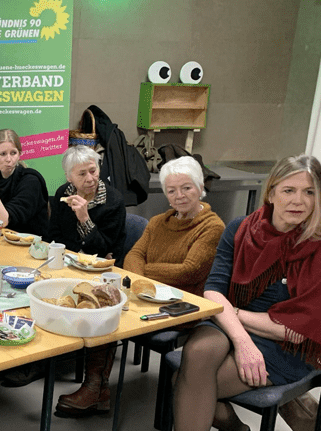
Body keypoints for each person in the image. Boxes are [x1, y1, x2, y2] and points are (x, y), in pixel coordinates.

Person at [158, 155, 321, 431]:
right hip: (231, 323)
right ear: (271, 192)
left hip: (284, 346)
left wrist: (237, 318)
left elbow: (297, 330)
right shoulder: (242, 229)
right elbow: (214, 291)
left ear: (319, 197)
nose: (298, 200)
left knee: (184, 383)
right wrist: (242, 340)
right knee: (200, 350)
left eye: (309, 192)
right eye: (288, 190)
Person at [56, 156, 224, 417]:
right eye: (171, 190)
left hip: (182, 306)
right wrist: (143, 277)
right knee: (104, 307)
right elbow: (133, 255)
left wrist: (144, 275)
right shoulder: (159, 222)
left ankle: (95, 389)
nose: (179, 196)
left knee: (110, 316)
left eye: (186, 188)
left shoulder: (212, 227)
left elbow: (188, 271)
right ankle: (97, 390)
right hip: (144, 296)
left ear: (200, 187)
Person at [45, 145, 126, 261]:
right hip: (68, 259)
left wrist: (85, 220)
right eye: (82, 174)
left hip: (101, 266)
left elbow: (103, 250)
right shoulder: (63, 193)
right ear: (69, 177)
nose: (90, 179)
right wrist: (79, 252)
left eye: (93, 171)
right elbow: (54, 236)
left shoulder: (114, 201)